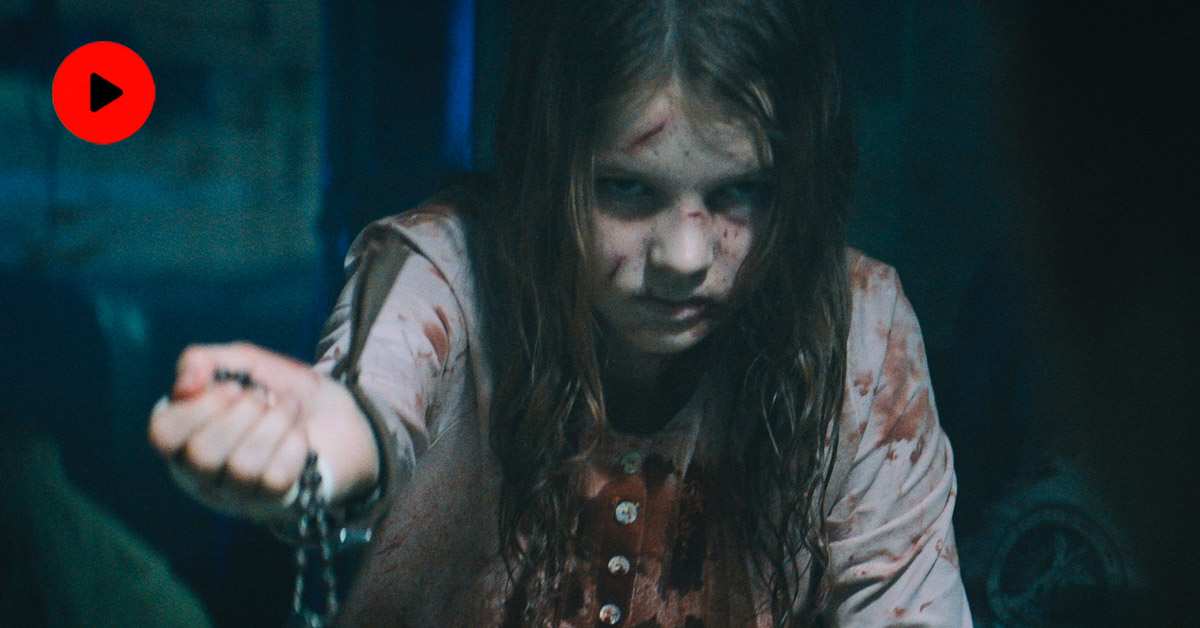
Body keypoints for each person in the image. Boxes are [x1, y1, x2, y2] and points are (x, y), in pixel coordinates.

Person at [148, 0, 972, 625]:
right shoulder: (451, 269)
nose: (685, 256)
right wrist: (329, 449)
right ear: (549, 168)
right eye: (626, 188)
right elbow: (373, 410)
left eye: (741, 193)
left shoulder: (858, 330)